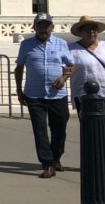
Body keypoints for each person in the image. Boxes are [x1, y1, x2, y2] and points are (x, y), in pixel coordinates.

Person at [15, 12, 74, 178]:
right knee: (40, 130)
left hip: (57, 94)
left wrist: (64, 78)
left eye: (46, 26)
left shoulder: (61, 44)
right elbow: (19, 68)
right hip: (34, 95)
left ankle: (56, 158)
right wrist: (19, 90)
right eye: (40, 25)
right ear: (34, 27)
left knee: (60, 128)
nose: (43, 29)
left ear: (52, 27)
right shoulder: (26, 45)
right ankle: (47, 163)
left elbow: (71, 66)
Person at [68, 15, 105, 169]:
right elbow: (64, 68)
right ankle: (96, 161)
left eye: (94, 29)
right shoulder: (71, 49)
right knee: (91, 130)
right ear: (81, 32)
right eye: (87, 30)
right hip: (85, 96)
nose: (91, 32)